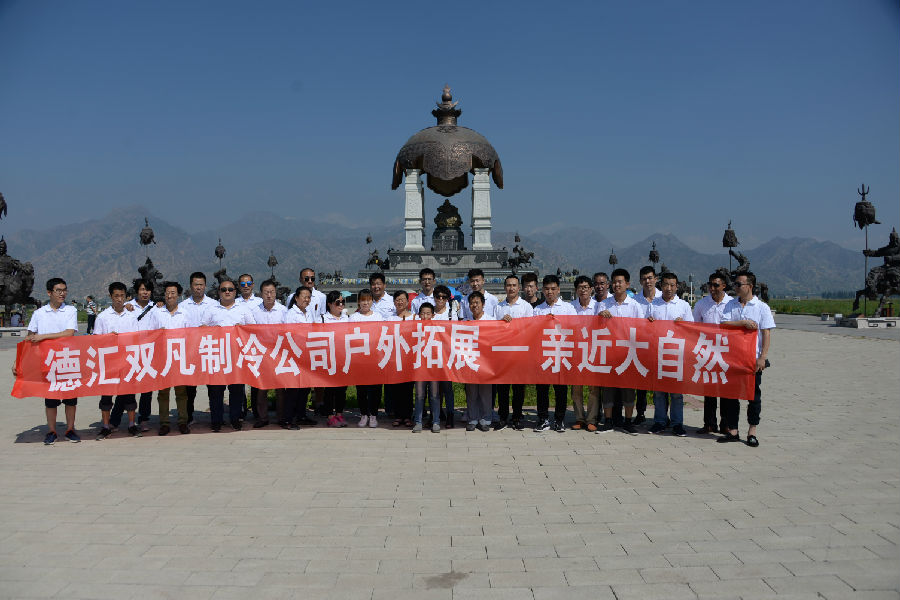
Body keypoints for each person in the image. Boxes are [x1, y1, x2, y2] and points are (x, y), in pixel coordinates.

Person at [19, 278, 79, 445]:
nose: (62, 293)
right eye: (58, 290)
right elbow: (30, 337)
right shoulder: (39, 313)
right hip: (47, 361)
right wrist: (19, 362)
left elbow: (69, 333)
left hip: (67, 359)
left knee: (70, 399)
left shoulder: (70, 310)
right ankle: (52, 431)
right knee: (50, 399)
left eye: (64, 290)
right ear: (49, 293)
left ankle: (70, 429)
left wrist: (43, 336)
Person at [719, 272, 774, 447]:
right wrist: (743, 323)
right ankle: (733, 430)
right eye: (735, 284)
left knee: (753, 396)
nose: (735, 287)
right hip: (733, 358)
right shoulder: (731, 304)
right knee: (731, 396)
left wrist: (762, 357)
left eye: (739, 284)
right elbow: (723, 324)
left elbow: (766, 333)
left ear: (749, 286)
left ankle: (752, 430)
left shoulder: (761, 307)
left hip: (752, 359)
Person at [204, 277, 256, 432]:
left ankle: (235, 419)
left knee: (236, 390)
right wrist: (211, 330)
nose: (227, 292)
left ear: (235, 292)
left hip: (237, 356)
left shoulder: (243, 309)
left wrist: (243, 328)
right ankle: (216, 420)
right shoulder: (211, 309)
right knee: (215, 390)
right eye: (224, 289)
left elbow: (253, 329)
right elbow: (201, 329)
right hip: (216, 356)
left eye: (230, 289)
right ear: (219, 292)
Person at [596, 268, 643, 435]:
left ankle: (628, 422)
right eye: (614, 282)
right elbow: (594, 326)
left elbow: (641, 328)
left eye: (620, 282)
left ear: (627, 284)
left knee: (628, 389)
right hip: (609, 353)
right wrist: (600, 316)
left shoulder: (635, 306)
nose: (617, 285)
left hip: (628, 353)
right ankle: (608, 421)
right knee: (608, 389)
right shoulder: (604, 304)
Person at [647, 272, 693, 437]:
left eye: (672, 285)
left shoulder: (683, 306)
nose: (669, 288)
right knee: (659, 391)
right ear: (661, 285)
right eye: (666, 284)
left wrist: (684, 325)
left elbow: (692, 330)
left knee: (676, 393)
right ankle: (660, 421)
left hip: (676, 354)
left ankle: (677, 423)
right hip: (658, 353)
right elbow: (645, 326)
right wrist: (649, 323)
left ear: (677, 286)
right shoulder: (653, 304)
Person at [94, 282, 141, 439]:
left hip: (127, 361)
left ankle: (132, 425)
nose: (119, 299)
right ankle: (106, 426)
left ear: (126, 296)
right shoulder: (103, 317)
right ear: (110, 297)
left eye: (122, 296)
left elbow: (136, 338)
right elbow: (96, 340)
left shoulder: (132, 316)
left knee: (129, 395)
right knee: (106, 396)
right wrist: (108, 338)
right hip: (109, 362)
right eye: (116, 296)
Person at [532, 274, 577, 432]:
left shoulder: (568, 308)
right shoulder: (538, 310)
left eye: (553, 289)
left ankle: (559, 419)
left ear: (558, 289)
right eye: (546, 289)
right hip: (543, 354)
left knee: (561, 389)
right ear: (542, 290)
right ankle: (543, 419)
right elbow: (532, 332)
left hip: (561, 353)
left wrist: (558, 321)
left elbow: (575, 328)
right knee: (542, 389)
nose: (550, 292)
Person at [148, 281, 192, 435]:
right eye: (167, 293)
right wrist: (158, 333)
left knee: (182, 393)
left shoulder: (185, 313)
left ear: (178, 295)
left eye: (173, 293)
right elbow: (149, 334)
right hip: (162, 358)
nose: (170, 296)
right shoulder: (157, 313)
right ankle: (164, 423)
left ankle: (183, 421)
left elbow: (191, 335)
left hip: (180, 358)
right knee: (163, 393)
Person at [692, 272, 732, 434]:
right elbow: (694, 327)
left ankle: (726, 424)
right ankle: (709, 423)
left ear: (724, 286)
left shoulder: (732, 303)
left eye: (716, 285)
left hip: (727, 352)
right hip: (708, 352)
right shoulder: (702, 304)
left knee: (726, 390)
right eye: (710, 285)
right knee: (709, 389)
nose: (712, 288)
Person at [494, 274, 533, 430]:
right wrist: (502, 323)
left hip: (519, 353)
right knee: (502, 388)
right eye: (508, 285)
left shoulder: (526, 307)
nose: (511, 288)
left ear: (519, 288)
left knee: (518, 388)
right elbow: (493, 329)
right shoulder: (498, 307)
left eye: (514, 285)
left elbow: (530, 328)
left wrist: (514, 325)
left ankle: (517, 417)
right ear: (505, 287)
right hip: (502, 354)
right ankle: (503, 417)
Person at [179, 272, 218, 425]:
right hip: (190, 352)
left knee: (213, 387)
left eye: (201, 285)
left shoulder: (214, 304)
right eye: (196, 285)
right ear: (191, 286)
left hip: (209, 350)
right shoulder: (182, 306)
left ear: (205, 286)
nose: (199, 287)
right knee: (190, 388)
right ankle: (188, 416)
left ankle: (215, 417)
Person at [251, 279, 287, 428]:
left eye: (272, 292)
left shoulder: (283, 310)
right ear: (261, 294)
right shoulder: (254, 311)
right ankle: (263, 418)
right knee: (262, 388)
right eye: (266, 292)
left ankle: (282, 417)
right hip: (261, 354)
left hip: (279, 354)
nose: (269, 295)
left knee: (281, 388)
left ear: (276, 293)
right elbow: (250, 332)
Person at [125, 279, 157, 430]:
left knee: (147, 390)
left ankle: (144, 418)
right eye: (142, 289)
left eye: (148, 290)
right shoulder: (127, 307)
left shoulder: (156, 307)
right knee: (128, 388)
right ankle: (121, 419)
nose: (145, 292)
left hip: (148, 353)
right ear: (137, 291)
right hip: (131, 353)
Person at [570, 275, 600, 432]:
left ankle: (592, 419)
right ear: (576, 290)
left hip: (593, 350)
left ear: (591, 289)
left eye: (586, 287)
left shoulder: (598, 307)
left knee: (593, 388)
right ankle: (579, 418)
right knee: (576, 388)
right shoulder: (570, 307)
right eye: (580, 288)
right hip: (576, 351)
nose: (583, 290)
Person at [283, 286, 316, 427]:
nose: (306, 300)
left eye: (309, 297)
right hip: (295, 355)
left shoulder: (309, 312)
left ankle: (301, 415)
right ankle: (287, 419)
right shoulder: (291, 314)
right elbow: (288, 335)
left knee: (305, 388)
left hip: (307, 355)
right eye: (304, 297)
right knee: (293, 389)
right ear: (296, 298)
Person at [632, 265, 661, 425]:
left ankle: (661, 416)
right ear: (640, 281)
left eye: (650, 278)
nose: (647, 281)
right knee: (641, 384)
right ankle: (640, 413)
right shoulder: (635, 300)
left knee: (660, 385)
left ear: (655, 279)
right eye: (644, 279)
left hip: (660, 348)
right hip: (641, 347)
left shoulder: (663, 298)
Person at [464, 291, 495, 431]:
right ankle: (472, 419)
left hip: (487, 362)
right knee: (471, 392)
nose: (474, 305)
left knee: (486, 392)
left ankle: (486, 419)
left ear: (483, 304)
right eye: (471, 303)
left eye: (477, 302)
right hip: (470, 361)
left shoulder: (492, 321)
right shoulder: (465, 322)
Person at [350, 288, 381, 428]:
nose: (365, 303)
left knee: (375, 388)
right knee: (361, 389)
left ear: (372, 301)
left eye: (368, 300)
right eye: (363, 300)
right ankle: (363, 414)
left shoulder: (378, 316)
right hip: (359, 358)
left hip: (375, 358)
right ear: (358, 302)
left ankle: (373, 415)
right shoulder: (353, 318)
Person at [412, 302, 441, 433]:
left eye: (428, 313)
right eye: (423, 313)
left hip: (433, 365)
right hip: (419, 365)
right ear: (419, 315)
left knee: (434, 395)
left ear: (433, 315)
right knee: (419, 394)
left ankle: (436, 421)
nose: (425, 316)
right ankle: (418, 422)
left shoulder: (438, 328)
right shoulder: (414, 328)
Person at [321, 290, 349, 427]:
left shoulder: (346, 318)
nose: (341, 305)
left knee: (342, 389)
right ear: (330, 304)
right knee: (329, 389)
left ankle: (339, 413)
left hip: (343, 357)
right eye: (338, 302)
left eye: (343, 302)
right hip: (329, 357)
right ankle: (329, 415)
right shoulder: (323, 319)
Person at [431, 285, 456, 427]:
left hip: (447, 354)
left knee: (447, 387)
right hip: (432, 354)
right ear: (434, 297)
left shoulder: (451, 313)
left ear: (447, 299)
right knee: (434, 387)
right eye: (438, 296)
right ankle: (437, 413)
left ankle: (450, 414)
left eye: (444, 297)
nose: (440, 299)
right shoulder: (430, 312)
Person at [388, 291, 415, 427]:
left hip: (410, 358)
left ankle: (408, 415)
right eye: (397, 300)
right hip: (395, 358)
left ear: (407, 302)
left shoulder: (414, 318)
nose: (400, 302)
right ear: (394, 302)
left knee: (408, 389)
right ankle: (398, 415)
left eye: (402, 299)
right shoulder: (390, 319)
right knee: (396, 389)